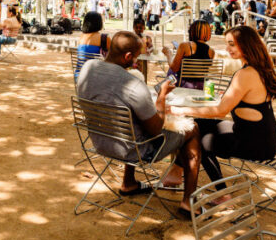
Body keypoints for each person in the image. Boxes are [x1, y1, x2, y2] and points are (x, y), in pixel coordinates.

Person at [77, 31, 202, 218]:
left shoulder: (88, 68)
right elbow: (155, 130)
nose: (135, 62)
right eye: (135, 58)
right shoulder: (133, 84)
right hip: (134, 150)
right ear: (127, 56)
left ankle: (129, 182)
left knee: (134, 123)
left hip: (100, 142)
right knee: (192, 129)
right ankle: (188, 203)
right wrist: (161, 97)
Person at [171, 25, 276, 200]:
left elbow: (220, 111)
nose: (227, 49)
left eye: (232, 44)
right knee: (197, 125)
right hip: (266, 139)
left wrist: (181, 110)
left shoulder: (245, 74)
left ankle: (222, 195)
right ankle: (176, 171)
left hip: (255, 144)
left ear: (246, 45)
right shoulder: (260, 68)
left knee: (201, 140)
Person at [165, 20, 216, 89]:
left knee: (171, 72)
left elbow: (174, 68)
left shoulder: (185, 46)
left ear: (192, 31)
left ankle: (161, 91)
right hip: (201, 86)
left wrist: (168, 53)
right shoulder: (211, 51)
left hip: (182, 84)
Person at [75, 12, 108, 77]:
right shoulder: (104, 38)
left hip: (79, 76)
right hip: (96, 77)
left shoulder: (81, 37)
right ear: (99, 23)